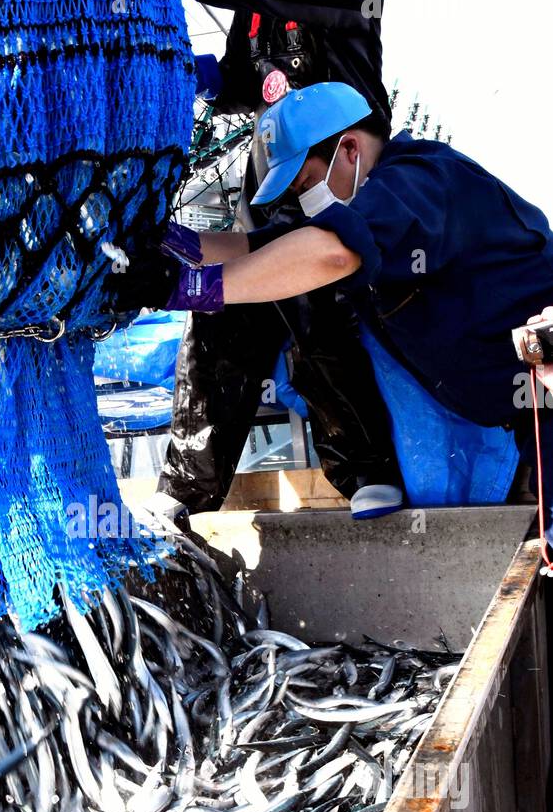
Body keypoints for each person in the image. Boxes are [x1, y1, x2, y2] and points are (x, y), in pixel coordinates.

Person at [156, 82, 553, 531]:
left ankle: (374, 468)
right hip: (521, 417)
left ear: (349, 149)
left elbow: (334, 253)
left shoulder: (419, 180)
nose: (302, 205)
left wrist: (188, 288)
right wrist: (174, 243)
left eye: (305, 185)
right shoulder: (371, 200)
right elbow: (259, 246)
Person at [159, 0, 402, 520]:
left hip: (343, 175)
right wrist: (208, 79)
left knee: (315, 303)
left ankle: (366, 469)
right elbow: (249, 80)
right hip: (274, 180)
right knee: (221, 307)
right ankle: (184, 492)